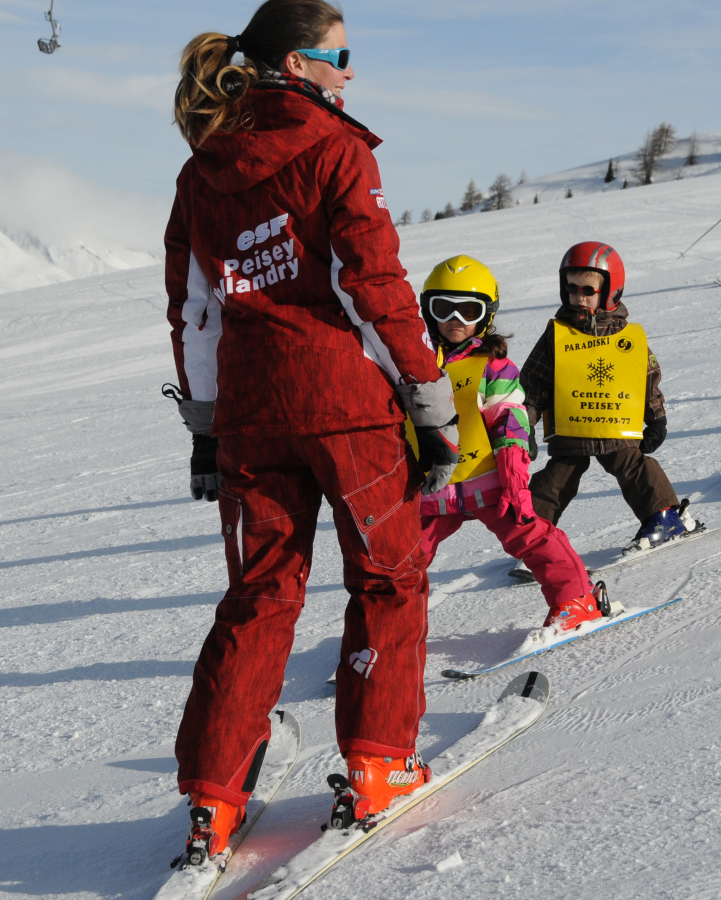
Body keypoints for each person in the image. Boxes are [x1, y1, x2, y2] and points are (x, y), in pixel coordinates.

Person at [162, 0, 459, 863]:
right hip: (347, 407)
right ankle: (378, 765)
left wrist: (208, 429)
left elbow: (196, 313)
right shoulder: (336, 149)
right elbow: (373, 285)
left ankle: (213, 802)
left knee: (259, 598)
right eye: (340, 55)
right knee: (388, 578)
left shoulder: (200, 172)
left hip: (253, 416)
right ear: (295, 66)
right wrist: (428, 396)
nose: (351, 72)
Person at [414, 255, 607, 632]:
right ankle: (393, 629)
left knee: (531, 534)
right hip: (432, 487)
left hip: (490, 481)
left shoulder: (492, 364)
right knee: (403, 557)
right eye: (444, 309)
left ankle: (576, 599)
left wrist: (515, 479)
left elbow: (510, 418)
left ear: (485, 315)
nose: (456, 320)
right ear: (427, 310)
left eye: (468, 310)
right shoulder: (413, 363)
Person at [521, 242, 695, 552]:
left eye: (588, 288)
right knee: (556, 480)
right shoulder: (557, 334)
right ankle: (536, 534)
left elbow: (646, 378)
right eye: (572, 288)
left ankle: (664, 516)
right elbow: (534, 383)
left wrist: (656, 416)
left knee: (635, 467)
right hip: (570, 427)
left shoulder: (627, 337)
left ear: (611, 291)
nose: (580, 296)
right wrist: (525, 426)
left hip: (615, 425)